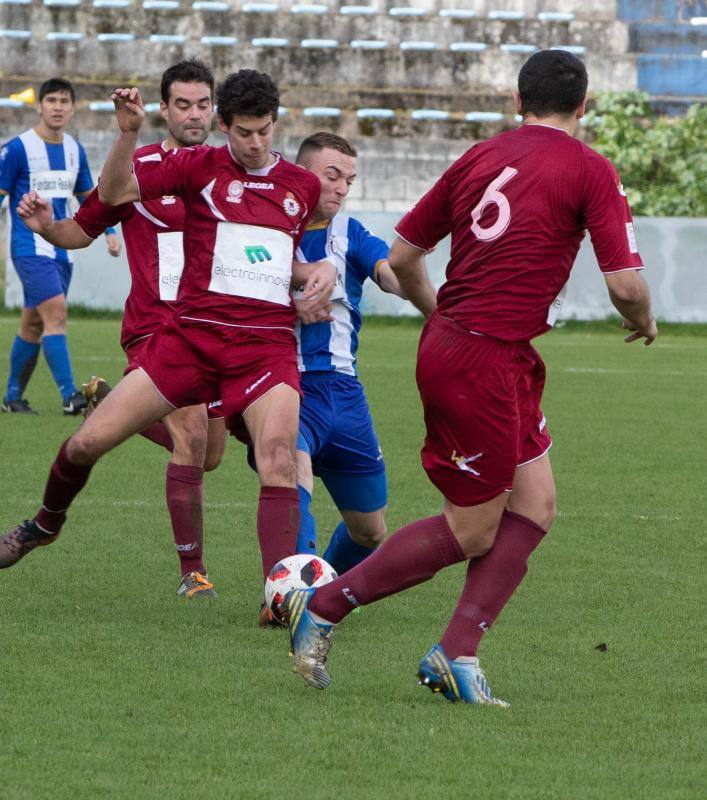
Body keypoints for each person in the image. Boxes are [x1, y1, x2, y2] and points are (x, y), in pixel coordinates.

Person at [283, 50, 658, 705]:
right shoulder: (588, 168)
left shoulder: (478, 156)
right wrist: (643, 319)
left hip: (490, 355)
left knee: (535, 503)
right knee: (474, 527)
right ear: (585, 105)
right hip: (480, 361)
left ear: (517, 102)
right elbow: (625, 285)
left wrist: (440, 317)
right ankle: (325, 604)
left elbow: (401, 257)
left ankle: (455, 653)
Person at [0, 71, 336, 601]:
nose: (254, 143)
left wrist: (322, 272)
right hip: (187, 339)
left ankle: (281, 599)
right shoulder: (195, 166)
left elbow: (279, 253)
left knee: (275, 456)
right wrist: (128, 133)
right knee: (88, 443)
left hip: (264, 346)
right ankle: (44, 524)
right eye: (244, 132)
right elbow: (111, 196)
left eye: (264, 131)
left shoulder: (302, 185)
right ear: (225, 127)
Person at [15, 59, 230, 599]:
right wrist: (47, 226)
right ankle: (193, 573)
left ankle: (113, 403)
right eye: (183, 104)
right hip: (158, 325)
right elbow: (83, 228)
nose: (194, 114)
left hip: (218, 329)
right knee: (191, 436)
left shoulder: (233, 170)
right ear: (164, 108)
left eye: (203, 103)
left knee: (210, 454)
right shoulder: (140, 168)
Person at [291, 132, 422, 571]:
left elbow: (388, 273)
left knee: (370, 531)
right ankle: (296, 594)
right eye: (332, 176)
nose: (342, 189)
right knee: (293, 476)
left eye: (349, 179)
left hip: (345, 393)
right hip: (284, 385)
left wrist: (410, 276)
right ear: (301, 173)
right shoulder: (270, 231)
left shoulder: (350, 232)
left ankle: (323, 587)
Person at [0, 77, 121, 415]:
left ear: (71, 108)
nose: (57, 107)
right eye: (50, 100)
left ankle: (12, 397)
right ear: (39, 105)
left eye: (63, 101)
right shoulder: (17, 148)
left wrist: (110, 230)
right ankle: (71, 396)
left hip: (62, 248)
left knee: (34, 324)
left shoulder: (74, 149)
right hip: (28, 247)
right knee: (56, 313)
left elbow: (87, 197)